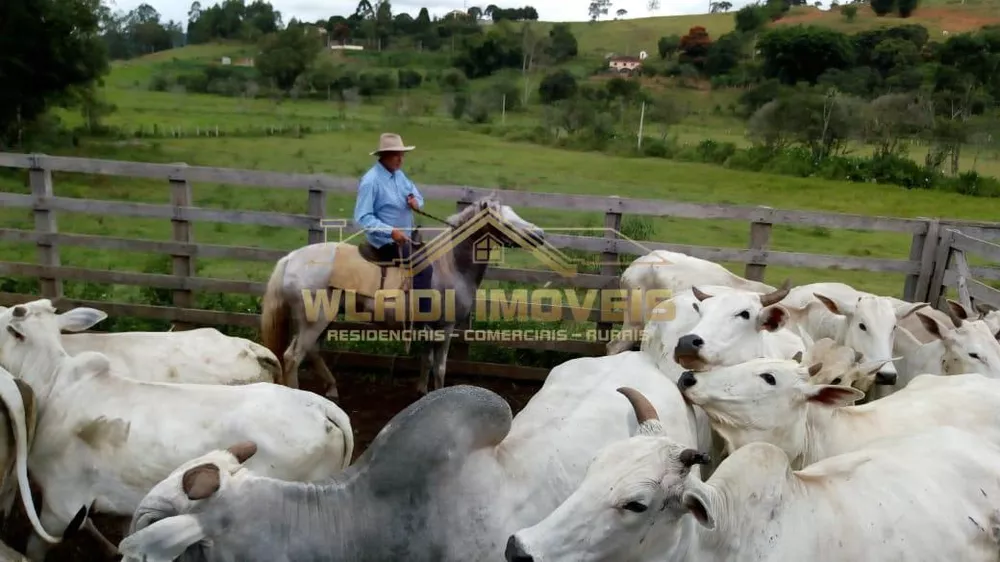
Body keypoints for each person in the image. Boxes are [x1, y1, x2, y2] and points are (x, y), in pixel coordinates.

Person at [353, 132, 434, 317]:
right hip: (386, 242)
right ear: (384, 156)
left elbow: (416, 195)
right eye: (396, 154)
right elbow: (363, 217)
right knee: (424, 268)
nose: (401, 159)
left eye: (402, 154)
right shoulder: (371, 181)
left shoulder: (399, 175)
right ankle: (422, 322)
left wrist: (416, 202)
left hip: (405, 238)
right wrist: (391, 232)